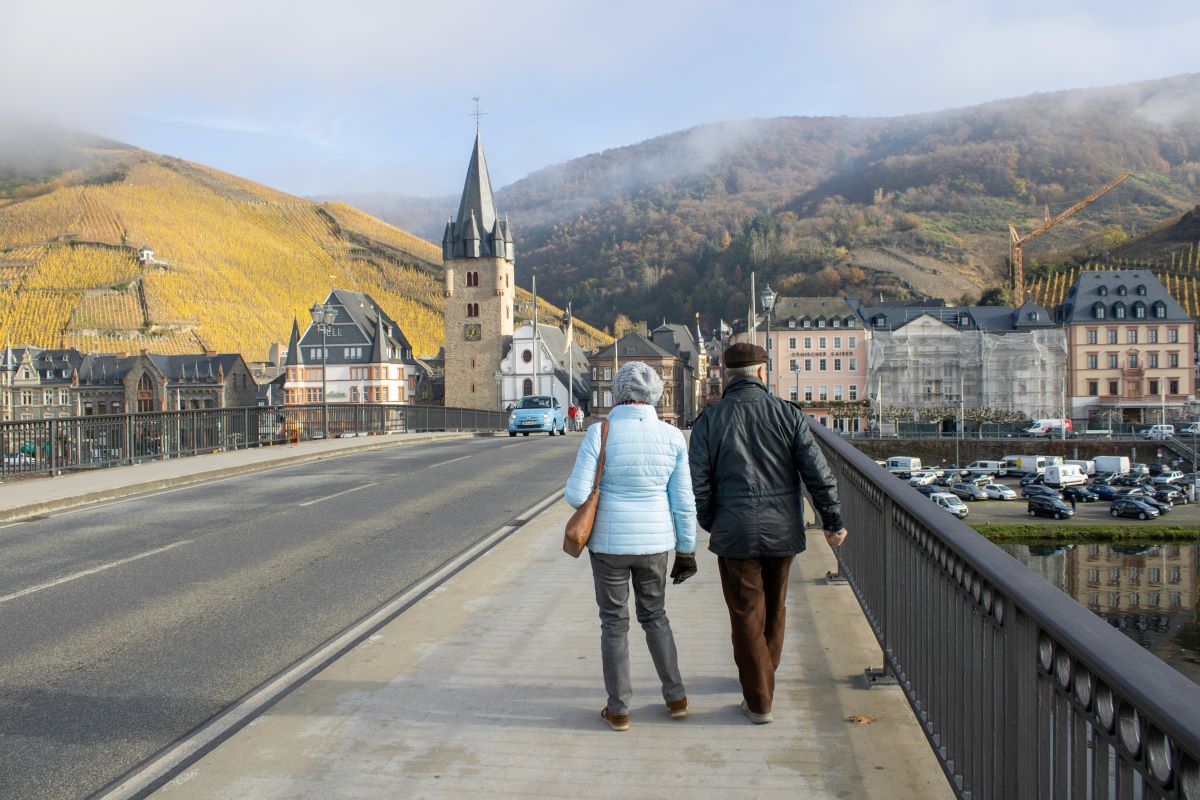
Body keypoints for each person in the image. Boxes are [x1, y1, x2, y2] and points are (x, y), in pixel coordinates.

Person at [688, 342, 848, 725]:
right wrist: (832, 521)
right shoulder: (787, 415)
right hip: (782, 528)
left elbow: (699, 483)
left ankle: (759, 699)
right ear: (762, 373)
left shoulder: (710, 420)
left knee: (745, 613)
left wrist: (713, 521)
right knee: (775, 607)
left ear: (728, 376)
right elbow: (818, 474)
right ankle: (763, 678)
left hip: (735, 529)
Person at [565, 361, 697, 732]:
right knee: (656, 616)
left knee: (614, 623)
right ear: (653, 395)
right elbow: (684, 501)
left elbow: (576, 494)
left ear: (618, 393)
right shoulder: (672, 437)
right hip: (656, 544)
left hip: (608, 546)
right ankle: (676, 697)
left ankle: (619, 708)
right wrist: (686, 549)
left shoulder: (599, 433)